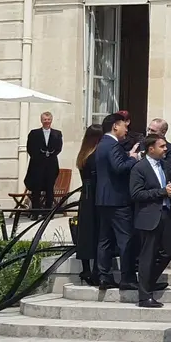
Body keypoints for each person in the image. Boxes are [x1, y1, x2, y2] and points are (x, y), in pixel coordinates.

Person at [129, 134, 171, 308]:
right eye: (162, 146)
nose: (166, 149)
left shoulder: (164, 165)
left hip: (166, 213)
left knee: (169, 250)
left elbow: (167, 183)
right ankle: (144, 296)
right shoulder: (139, 168)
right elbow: (136, 194)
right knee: (147, 256)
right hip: (148, 216)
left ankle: (149, 281)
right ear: (151, 149)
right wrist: (162, 192)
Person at [94, 113, 140, 291]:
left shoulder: (101, 144)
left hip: (103, 199)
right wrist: (132, 159)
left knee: (105, 240)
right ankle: (127, 277)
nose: (126, 129)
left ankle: (104, 276)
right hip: (117, 200)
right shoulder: (113, 144)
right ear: (115, 126)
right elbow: (119, 168)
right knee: (125, 239)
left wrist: (125, 155)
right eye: (124, 126)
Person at [74, 125, 102, 286]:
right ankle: (96, 270)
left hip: (85, 194)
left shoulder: (83, 154)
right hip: (95, 195)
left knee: (85, 232)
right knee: (98, 231)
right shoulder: (96, 155)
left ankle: (86, 268)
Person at [24, 112, 62, 214]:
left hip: (51, 165)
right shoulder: (34, 133)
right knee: (36, 189)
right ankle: (35, 212)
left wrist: (50, 154)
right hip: (37, 165)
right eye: (45, 120)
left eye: (48, 119)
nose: (47, 122)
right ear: (41, 120)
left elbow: (59, 148)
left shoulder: (57, 134)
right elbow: (30, 148)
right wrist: (39, 157)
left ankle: (48, 211)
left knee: (50, 188)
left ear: (51, 120)